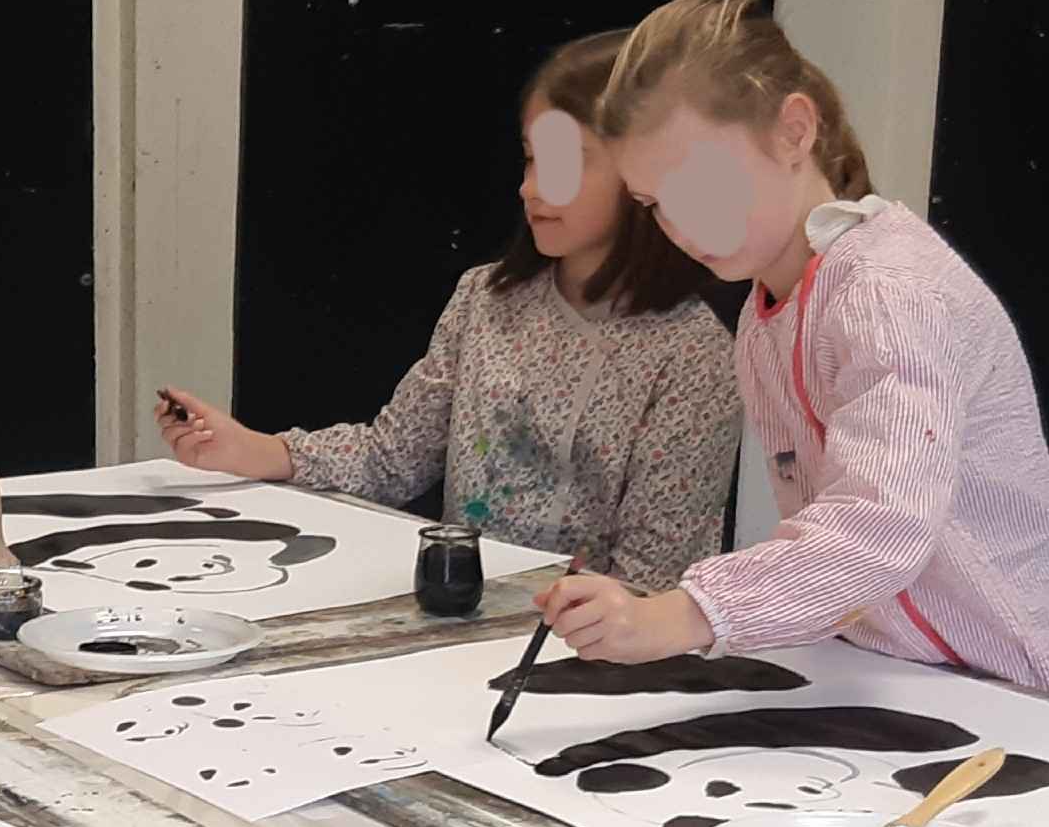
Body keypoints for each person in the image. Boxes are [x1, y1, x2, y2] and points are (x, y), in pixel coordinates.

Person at [536, 0, 1049, 700]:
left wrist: (685, 614)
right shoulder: (765, 317)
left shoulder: (890, 289)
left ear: (793, 131)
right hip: (900, 676)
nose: (679, 226)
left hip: (1029, 690)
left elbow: (880, 523)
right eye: (653, 204)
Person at [152, 30, 740, 584]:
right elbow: (393, 458)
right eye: (530, 160)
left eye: (566, 163)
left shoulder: (694, 354)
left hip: (593, 640)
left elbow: (656, 575)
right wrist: (252, 450)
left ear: (646, 174)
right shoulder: (486, 298)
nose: (532, 188)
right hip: (463, 609)